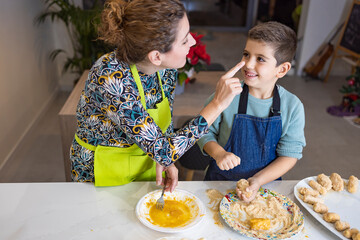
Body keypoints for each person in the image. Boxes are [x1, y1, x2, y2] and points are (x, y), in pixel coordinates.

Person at [70, 0, 244, 192]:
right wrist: (217, 105)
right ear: (156, 56)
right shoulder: (112, 79)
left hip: (145, 157)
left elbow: (163, 122)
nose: (193, 42)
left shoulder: (164, 68)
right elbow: (163, 151)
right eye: (185, 40)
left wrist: (166, 159)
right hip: (102, 168)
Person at [197, 21, 306, 202]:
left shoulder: (293, 106)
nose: (248, 64)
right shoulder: (226, 95)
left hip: (265, 188)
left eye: (260, 59)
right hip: (219, 185)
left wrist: (257, 181)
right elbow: (201, 131)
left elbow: (289, 155)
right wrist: (219, 153)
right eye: (246, 55)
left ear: (282, 69)